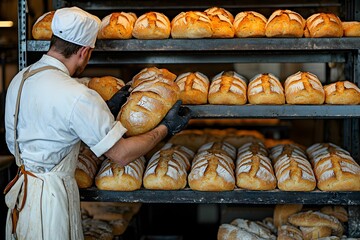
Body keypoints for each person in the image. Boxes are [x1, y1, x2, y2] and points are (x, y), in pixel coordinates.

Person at [4, 6, 191, 240]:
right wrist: (166, 127)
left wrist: (106, 111)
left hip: (21, 198)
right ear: (84, 52)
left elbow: (46, 134)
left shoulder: (20, 80)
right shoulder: (78, 95)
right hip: (52, 204)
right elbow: (121, 154)